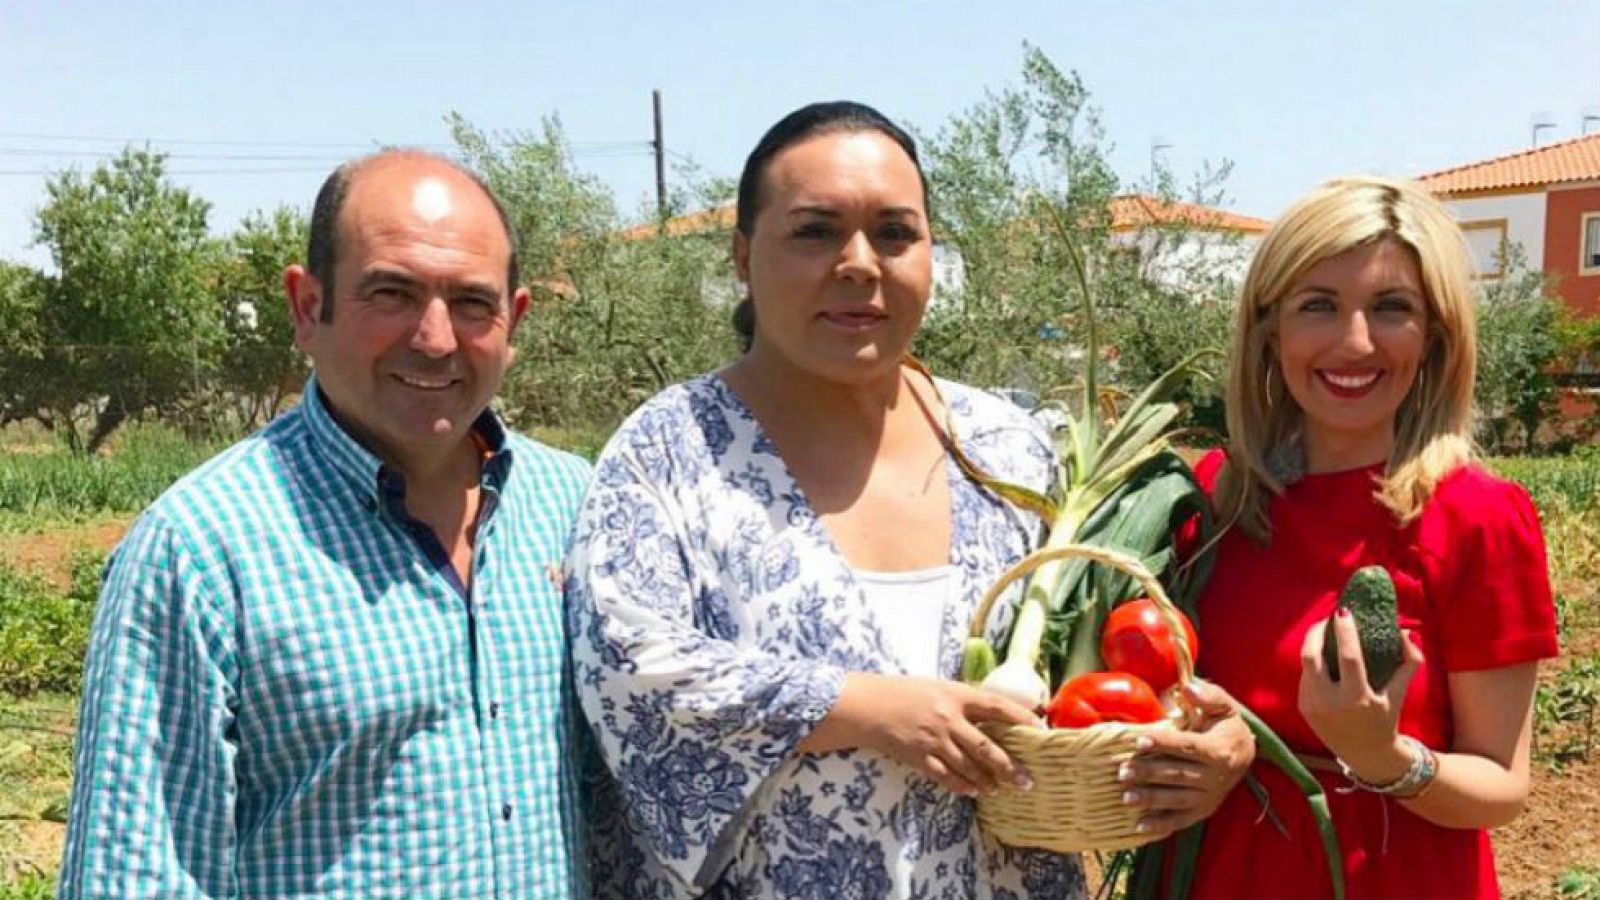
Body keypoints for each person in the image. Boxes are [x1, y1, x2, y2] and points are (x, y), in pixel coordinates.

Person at [565, 101, 1253, 900]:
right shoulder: (669, 451)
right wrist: (866, 707)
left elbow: (1103, 656)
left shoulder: (1006, 447)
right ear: (742, 256)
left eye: (895, 233)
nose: (860, 262)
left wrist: (1207, 736)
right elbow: (629, 669)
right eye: (815, 231)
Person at [58, 150, 592, 899]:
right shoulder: (203, 550)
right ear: (308, 307)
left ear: (515, 320)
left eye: (473, 302)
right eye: (392, 293)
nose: (436, 338)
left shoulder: (577, 507)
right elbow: (138, 875)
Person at [1181, 175, 1560, 899]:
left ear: (1435, 337)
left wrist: (1382, 756)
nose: (1355, 342)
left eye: (1392, 308)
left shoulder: (1476, 515)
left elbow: (1503, 785)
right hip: (1215, 871)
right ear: (1270, 330)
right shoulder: (1216, 495)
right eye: (1317, 306)